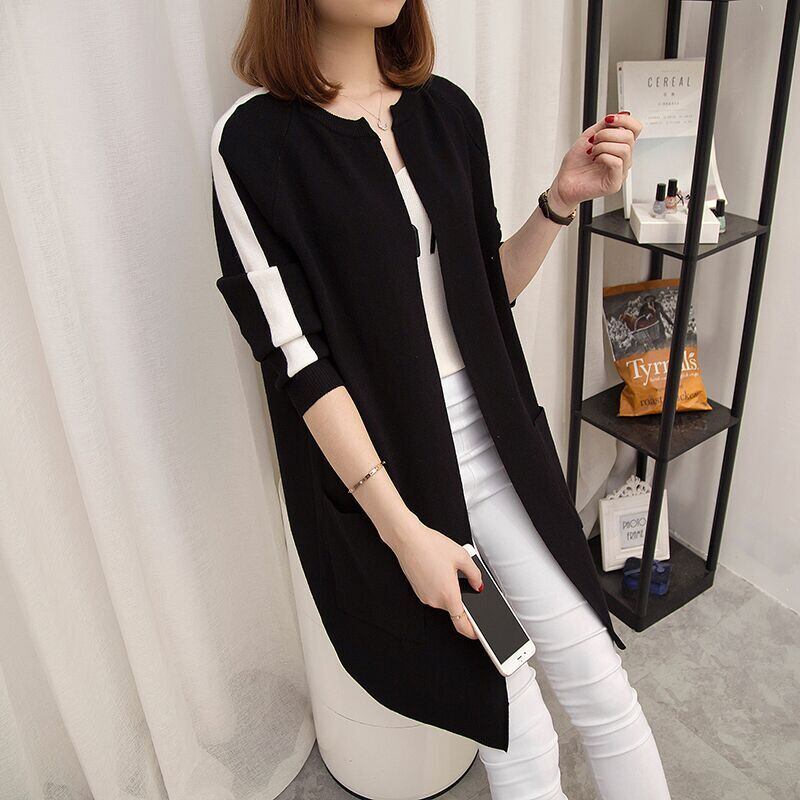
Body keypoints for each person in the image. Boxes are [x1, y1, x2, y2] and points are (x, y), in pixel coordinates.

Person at [210, 1, 672, 797]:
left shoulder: (446, 112)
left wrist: (560, 200)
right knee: (515, 726)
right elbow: (298, 364)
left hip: (499, 453)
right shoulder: (251, 144)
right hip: (399, 479)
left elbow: (484, 297)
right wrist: (406, 535)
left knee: (603, 686)